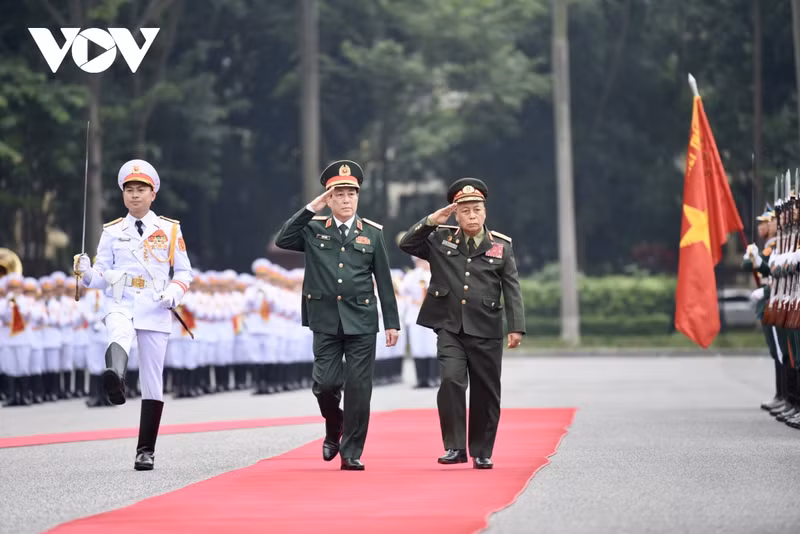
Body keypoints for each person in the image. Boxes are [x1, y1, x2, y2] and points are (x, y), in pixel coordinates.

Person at [275, 159, 400, 471]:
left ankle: (351, 450)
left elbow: (384, 280)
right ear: (329, 198)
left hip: (362, 319)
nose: (346, 199)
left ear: (358, 196)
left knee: (359, 388)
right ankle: (335, 425)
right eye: (338, 193)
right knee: (325, 384)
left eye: (351, 193)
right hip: (325, 319)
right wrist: (311, 207)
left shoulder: (371, 234)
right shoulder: (313, 229)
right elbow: (283, 239)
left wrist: (392, 323)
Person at [73, 159, 193, 470]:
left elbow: (183, 272)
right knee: (118, 331)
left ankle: (145, 450)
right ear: (123, 194)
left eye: (141, 189)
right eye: (129, 190)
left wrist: (173, 294)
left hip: (155, 306)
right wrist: (86, 274)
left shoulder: (169, 229)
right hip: (120, 300)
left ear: (153, 194)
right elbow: (101, 274)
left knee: (153, 380)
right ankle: (116, 378)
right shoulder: (112, 231)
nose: (135, 195)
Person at [398, 177, 525, 469]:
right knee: (451, 380)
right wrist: (431, 220)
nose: (471, 215)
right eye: (464, 210)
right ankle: (455, 446)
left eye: (476, 209)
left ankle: (482, 450)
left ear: (485, 212)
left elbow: (512, 288)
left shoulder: (501, 247)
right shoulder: (442, 239)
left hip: (487, 328)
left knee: (485, 389)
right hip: (450, 326)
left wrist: (516, 326)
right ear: (455, 213)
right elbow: (408, 243)